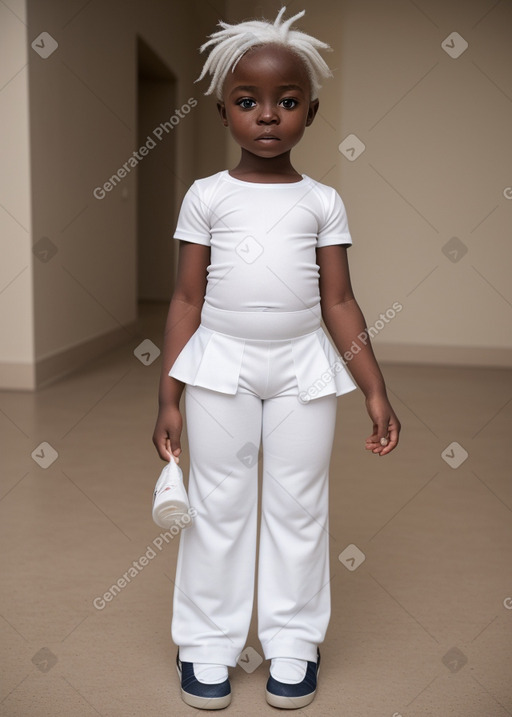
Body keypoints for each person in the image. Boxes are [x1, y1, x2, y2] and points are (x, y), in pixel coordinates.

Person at [153, 6, 400, 710]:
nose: (268, 115)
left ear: (310, 111)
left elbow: (342, 302)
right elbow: (186, 300)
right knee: (218, 506)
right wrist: (169, 395)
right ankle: (206, 642)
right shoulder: (206, 196)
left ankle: (293, 640)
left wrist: (374, 388)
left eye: (287, 102)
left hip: (302, 371)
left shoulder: (322, 201)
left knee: (299, 507)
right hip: (219, 368)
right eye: (248, 101)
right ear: (223, 110)